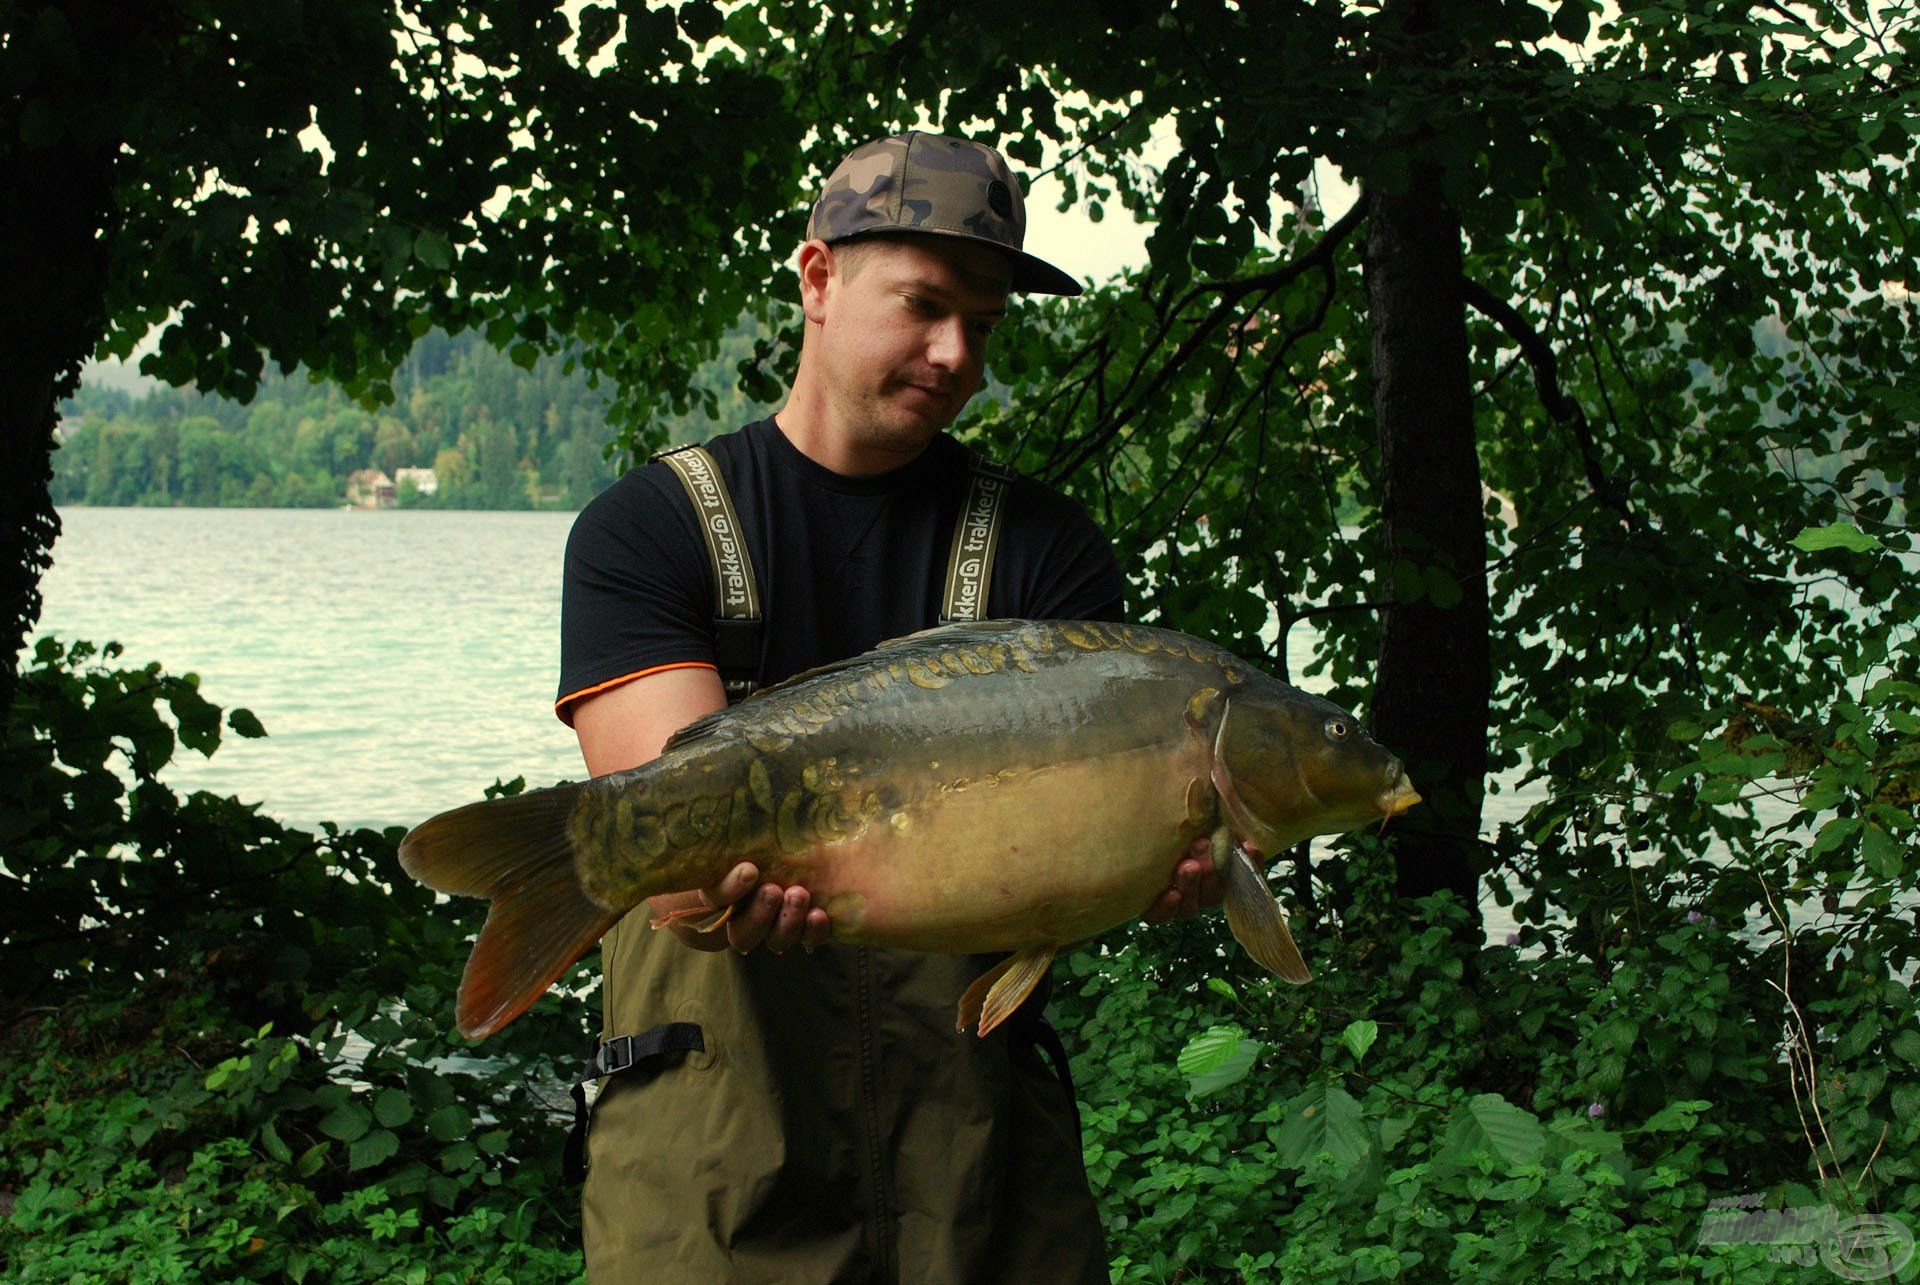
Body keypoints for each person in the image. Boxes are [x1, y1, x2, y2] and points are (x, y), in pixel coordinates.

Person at [555, 130, 1221, 1284]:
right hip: (714, 1147)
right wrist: (704, 892)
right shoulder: (652, 527)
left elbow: (1066, 864)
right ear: (817, 278)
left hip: (976, 1141)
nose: (956, 352)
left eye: (986, 324)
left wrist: (1143, 863)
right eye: (923, 304)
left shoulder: (1043, 551)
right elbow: (661, 829)